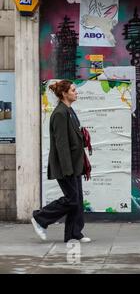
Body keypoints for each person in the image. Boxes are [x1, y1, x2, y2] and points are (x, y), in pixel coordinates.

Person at [31, 80, 91, 243]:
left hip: (75, 164)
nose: (76, 92)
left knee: (76, 199)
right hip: (66, 166)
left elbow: (72, 138)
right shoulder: (59, 113)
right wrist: (67, 169)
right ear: (64, 94)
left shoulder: (69, 111)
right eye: (73, 90)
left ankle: (73, 234)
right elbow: (61, 144)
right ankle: (40, 218)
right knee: (71, 199)